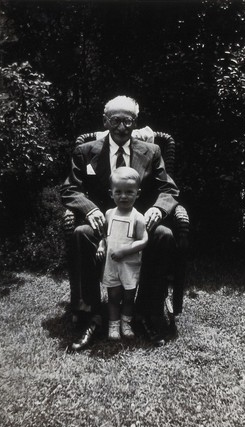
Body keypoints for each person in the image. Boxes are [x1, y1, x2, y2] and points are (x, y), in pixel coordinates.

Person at [61, 95, 180, 350]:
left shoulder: (151, 151)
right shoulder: (87, 150)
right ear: (106, 121)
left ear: (135, 123)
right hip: (102, 225)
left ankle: (147, 312)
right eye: (116, 120)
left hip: (138, 224)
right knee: (80, 232)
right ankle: (90, 314)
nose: (122, 127)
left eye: (128, 121)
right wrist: (90, 209)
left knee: (164, 235)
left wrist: (158, 209)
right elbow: (70, 189)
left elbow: (168, 189)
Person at [96, 167, 148, 341]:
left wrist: (126, 251)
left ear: (138, 193)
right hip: (112, 264)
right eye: (118, 192)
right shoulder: (109, 214)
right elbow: (105, 236)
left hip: (129, 265)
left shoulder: (138, 217)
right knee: (113, 296)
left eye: (129, 192)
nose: (123, 196)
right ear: (111, 193)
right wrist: (101, 247)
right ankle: (113, 324)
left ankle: (126, 323)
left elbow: (143, 241)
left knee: (128, 296)